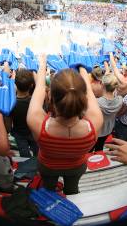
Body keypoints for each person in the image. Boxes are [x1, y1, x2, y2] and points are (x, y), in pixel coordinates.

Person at [26, 55, 103, 195]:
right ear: (83, 98)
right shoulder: (96, 121)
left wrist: (42, 64)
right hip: (76, 166)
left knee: (49, 189)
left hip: (47, 166)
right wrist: (82, 68)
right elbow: (90, 92)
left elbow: (39, 88)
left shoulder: (36, 121)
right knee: (72, 190)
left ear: (51, 97)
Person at [9, 68, 38, 157]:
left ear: (16, 84)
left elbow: (9, 123)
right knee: (36, 150)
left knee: (24, 153)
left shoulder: (10, 103)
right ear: (31, 85)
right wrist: (34, 71)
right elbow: (41, 87)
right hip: (32, 132)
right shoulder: (35, 101)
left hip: (19, 133)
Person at [91, 73, 122, 152]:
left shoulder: (96, 102)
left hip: (96, 130)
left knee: (90, 148)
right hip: (108, 129)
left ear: (102, 84)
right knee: (100, 146)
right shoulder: (119, 100)